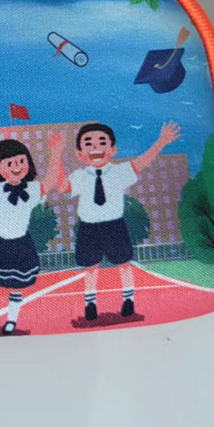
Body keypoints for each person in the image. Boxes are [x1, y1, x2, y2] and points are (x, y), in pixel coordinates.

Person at [56, 121, 181, 320]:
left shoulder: (118, 172)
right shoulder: (79, 175)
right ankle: (90, 303)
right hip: (89, 228)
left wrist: (161, 142)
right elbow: (63, 187)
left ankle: (128, 299)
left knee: (124, 263)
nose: (95, 147)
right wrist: (56, 154)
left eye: (102, 142)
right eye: (88, 143)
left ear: (113, 150)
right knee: (91, 267)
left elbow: (141, 162)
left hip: (114, 225)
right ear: (79, 154)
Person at [0, 133, 65, 335]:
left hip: (20, 243)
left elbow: (49, 181)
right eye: (10, 163)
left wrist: (56, 152)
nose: (17, 166)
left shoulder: (32, 189)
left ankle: (11, 321)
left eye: (21, 161)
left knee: (17, 286)